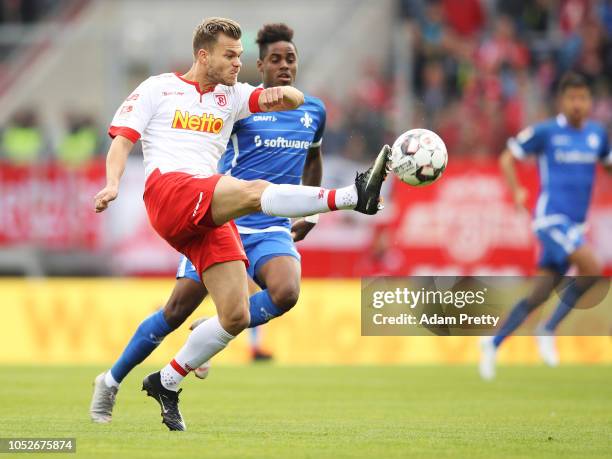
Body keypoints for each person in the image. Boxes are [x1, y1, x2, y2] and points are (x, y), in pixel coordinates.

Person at [93, 17, 391, 430]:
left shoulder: (234, 98)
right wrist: (112, 183)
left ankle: (132, 381)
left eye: (241, 55)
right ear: (203, 54)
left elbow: (288, 98)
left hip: (214, 214)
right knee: (254, 192)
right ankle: (352, 196)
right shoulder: (158, 88)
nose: (238, 63)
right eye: (230, 55)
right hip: (171, 193)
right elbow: (123, 140)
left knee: (233, 316)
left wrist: (281, 93)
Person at [479, 73, 612, 381]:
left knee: (539, 294)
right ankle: (548, 328)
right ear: (561, 101)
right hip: (550, 219)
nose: (578, 104)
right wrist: (516, 191)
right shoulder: (547, 132)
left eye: (583, 98)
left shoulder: (597, 135)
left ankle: (493, 343)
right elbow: (506, 158)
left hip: (575, 226)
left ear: (590, 102)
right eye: (572, 98)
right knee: (592, 266)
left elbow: (607, 163)